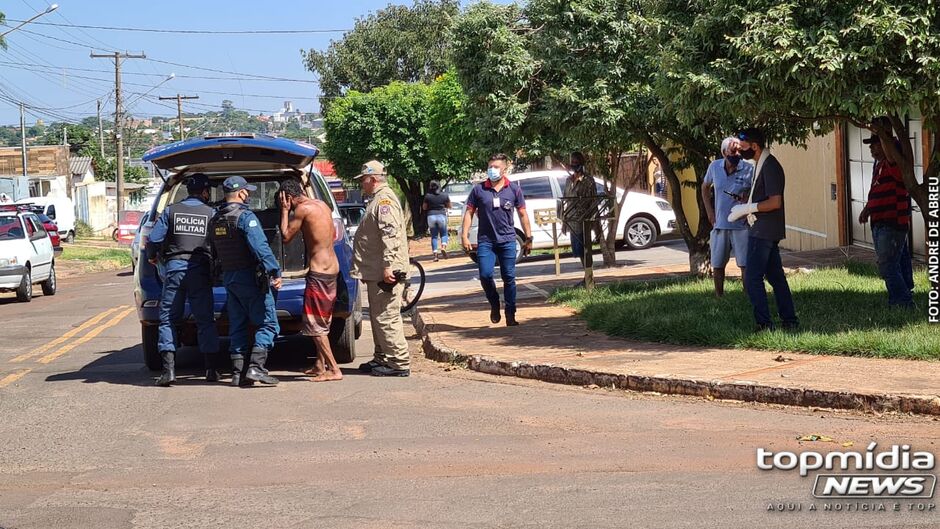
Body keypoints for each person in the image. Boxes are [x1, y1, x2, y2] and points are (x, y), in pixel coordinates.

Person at [145, 174, 221, 386]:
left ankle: (169, 371)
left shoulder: (171, 211)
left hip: (174, 270)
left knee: (168, 318)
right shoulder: (211, 213)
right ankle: (211, 370)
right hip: (200, 271)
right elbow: (219, 243)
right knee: (205, 319)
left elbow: (154, 239)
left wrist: (153, 257)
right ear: (205, 192)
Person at [209, 176, 282, 386]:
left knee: (238, 324)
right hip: (250, 277)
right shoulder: (245, 217)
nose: (248, 195)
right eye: (247, 192)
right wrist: (274, 271)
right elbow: (260, 248)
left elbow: (212, 251)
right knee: (268, 323)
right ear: (241, 193)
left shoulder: (216, 219)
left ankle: (237, 372)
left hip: (229, 278)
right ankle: (256, 368)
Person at [728, 128, 798, 332]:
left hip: (763, 231)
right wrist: (745, 203)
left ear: (755, 146)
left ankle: (764, 324)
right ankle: (790, 320)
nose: (740, 152)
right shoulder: (762, 164)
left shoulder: (770, 166)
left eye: (743, 148)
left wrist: (748, 208)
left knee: (752, 278)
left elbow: (775, 202)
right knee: (775, 277)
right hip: (764, 228)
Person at [278, 177, 343, 382]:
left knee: (314, 324)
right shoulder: (322, 204)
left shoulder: (302, 210)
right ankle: (319, 364)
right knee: (324, 320)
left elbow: (286, 236)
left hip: (319, 272)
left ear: (288, 197)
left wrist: (283, 210)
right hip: (332, 268)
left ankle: (333, 369)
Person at [351, 160, 412, 377]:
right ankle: (382, 356)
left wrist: (389, 266)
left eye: (363, 180)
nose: (361, 184)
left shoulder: (384, 200)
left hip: (385, 271)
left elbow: (391, 234)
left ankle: (398, 362)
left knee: (386, 316)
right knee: (378, 316)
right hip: (376, 271)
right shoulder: (376, 199)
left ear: (373, 179)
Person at [460, 153, 533, 326]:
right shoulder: (479, 190)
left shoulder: (514, 189)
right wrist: (464, 235)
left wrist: (529, 237)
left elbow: (523, 214)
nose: (492, 170)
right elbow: (469, 212)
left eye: (496, 167)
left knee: (509, 277)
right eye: (490, 166)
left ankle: (510, 313)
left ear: (505, 169)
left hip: (508, 240)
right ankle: (494, 303)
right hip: (486, 241)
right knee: (485, 275)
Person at [859, 133, 915, 308]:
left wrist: (886, 134)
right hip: (879, 220)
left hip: (892, 221)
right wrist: (868, 209)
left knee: (887, 265)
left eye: (876, 144)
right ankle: (906, 290)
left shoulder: (894, 162)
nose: (872, 149)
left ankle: (902, 302)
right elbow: (876, 190)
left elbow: (891, 152)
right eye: (871, 146)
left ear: (886, 146)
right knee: (898, 259)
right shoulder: (879, 164)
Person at [702, 137, 754, 296]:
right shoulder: (714, 166)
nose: (737, 154)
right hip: (720, 224)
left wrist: (748, 201)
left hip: (741, 226)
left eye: (740, 151)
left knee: (745, 264)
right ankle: (719, 296)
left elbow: (756, 192)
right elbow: (704, 187)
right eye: (733, 151)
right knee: (717, 265)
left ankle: (748, 296)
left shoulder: (749, 169)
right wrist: (710, 212)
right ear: (724, 153)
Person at [561, 151, 598, 267]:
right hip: (572, 221)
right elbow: (566, 201)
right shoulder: (568, 181)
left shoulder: (588, 181)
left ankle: (589, 277)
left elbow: (593, 203)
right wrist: (564, 222)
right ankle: (586, 275)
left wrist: (596, 225)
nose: (574, 164)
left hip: (584, 221)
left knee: (585, 250)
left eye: (576, 162)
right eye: (572, 162)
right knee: (578, 251)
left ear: (582, 163)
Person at [422, 180, 451, 262]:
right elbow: (449, 206)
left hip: (431, 216)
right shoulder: (444, 195)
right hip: (441, 215)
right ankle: (443, 247)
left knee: (434, 236)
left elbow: (424, 207)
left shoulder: (428, 196)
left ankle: (435, 256)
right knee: (444, 234)